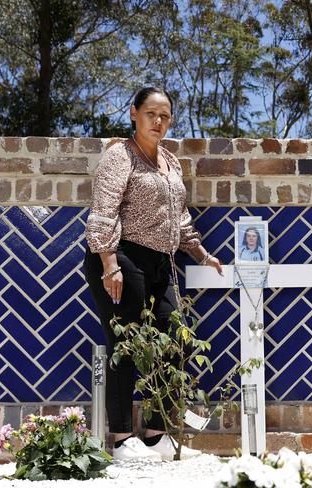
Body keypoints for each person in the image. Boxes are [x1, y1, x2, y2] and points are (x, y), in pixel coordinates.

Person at [83, 86, 223, 461]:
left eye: (164, 116)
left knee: (177, 340)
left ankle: (156, 433)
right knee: (126, 345)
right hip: (120, 256)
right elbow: (103, 211)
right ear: (134, 114)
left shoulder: (170, 162)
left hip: (161, 262)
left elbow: (180, 217)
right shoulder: (119, 157)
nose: (158, 121)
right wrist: (109, 263)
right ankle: (121, 438)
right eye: (151, 114)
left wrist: (201, 253)